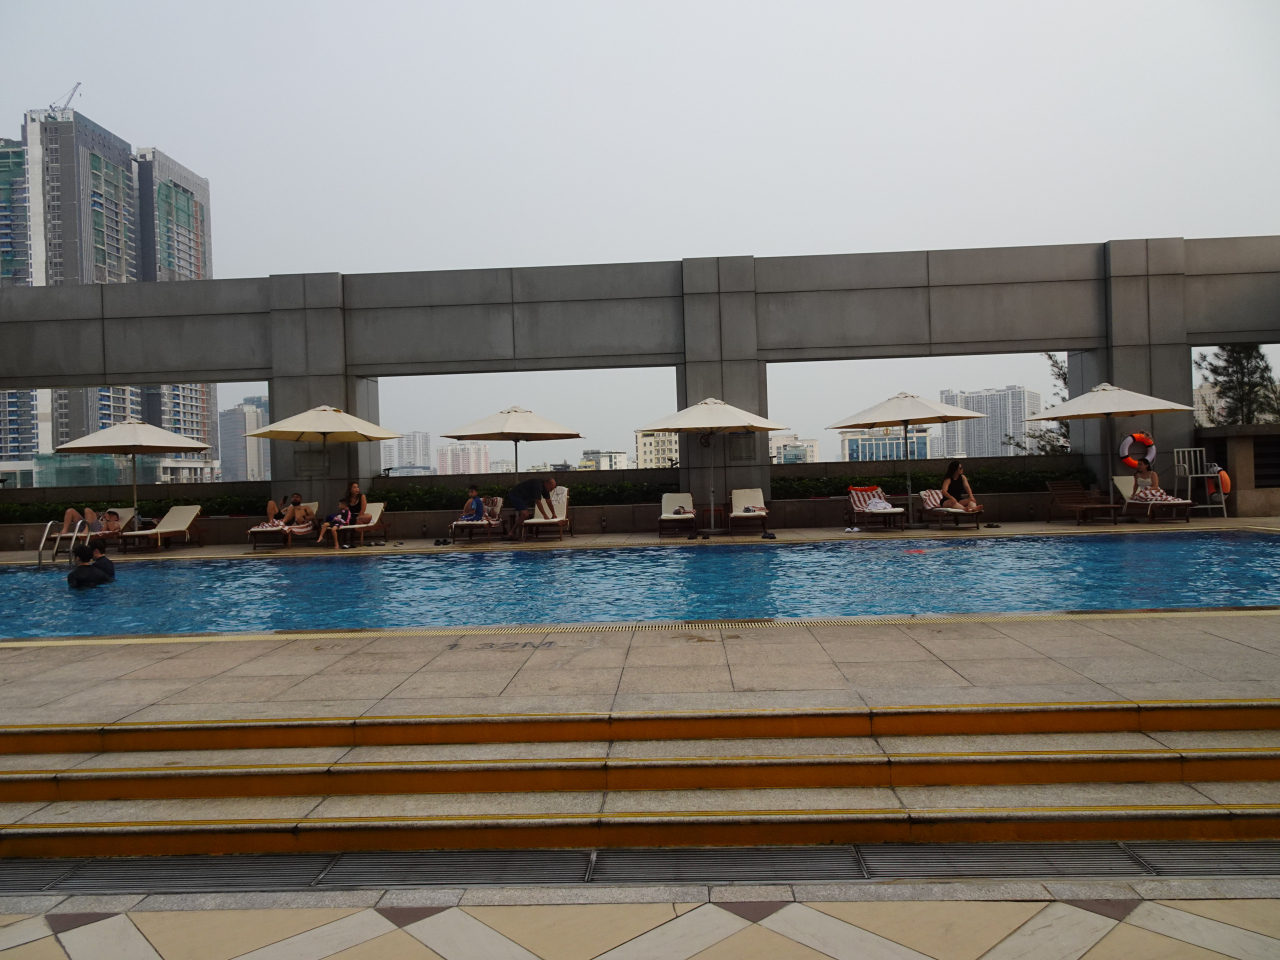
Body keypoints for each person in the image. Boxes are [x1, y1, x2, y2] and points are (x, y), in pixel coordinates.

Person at [506, 476, 556, 541]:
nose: (551, 491)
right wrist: (545, 515)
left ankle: (518, 534)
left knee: (525, 514)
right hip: (515, 494)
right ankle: (514, 533)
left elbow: (549, 501)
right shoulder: (538, 485)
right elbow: (538, 502)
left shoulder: (546, 488)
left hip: (522, 497)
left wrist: (553, 514)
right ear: (547, 484)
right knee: (524, 514)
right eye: (551, 489)